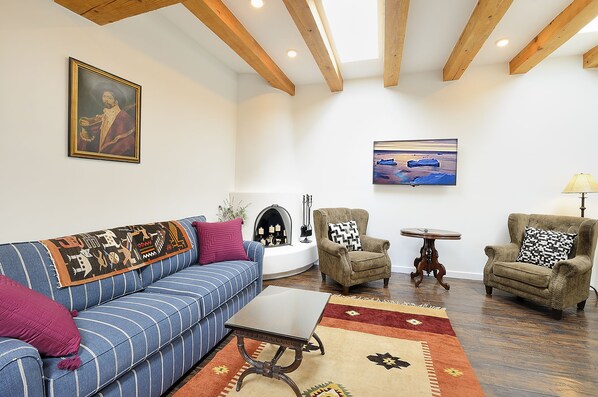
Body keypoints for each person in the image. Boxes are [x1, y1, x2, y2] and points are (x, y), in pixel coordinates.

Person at [78, 83, 136, 157]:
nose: (106, 100)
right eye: (104, 96)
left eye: (109, 97)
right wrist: (86, 129)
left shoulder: (124, 116)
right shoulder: (102, 117)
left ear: (116, 101)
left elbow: (127, 142)